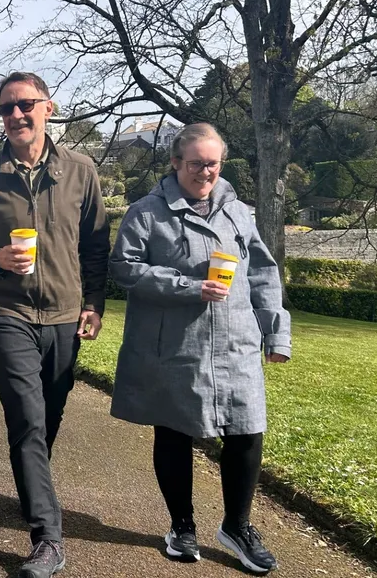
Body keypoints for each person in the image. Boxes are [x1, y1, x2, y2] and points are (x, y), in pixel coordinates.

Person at [108, 123, 289, 574]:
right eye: (195, 163)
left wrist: (276, 333)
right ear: (175, 163)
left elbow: (263, 273)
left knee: (247, 431)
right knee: (173, 431)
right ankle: (181, 526)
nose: (204, 172)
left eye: (212, 163)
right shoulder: (147, 212)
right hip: (177, 345)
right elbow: (124, 269)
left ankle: (237, 526)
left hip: (237, 341)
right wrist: (189, 287)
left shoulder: (238, 212)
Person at [0, 71, 110, 578]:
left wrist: (94, 303)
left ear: (48, 108)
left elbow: (94, 247)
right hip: (7, 312)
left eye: (25, 105)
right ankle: (48, 537)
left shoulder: (81, 171)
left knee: (49, 414)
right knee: (26, 415)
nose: (16, 115)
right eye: (6, 108)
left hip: (65, 313)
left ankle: (32, 487)